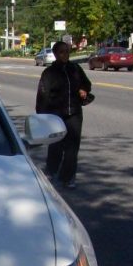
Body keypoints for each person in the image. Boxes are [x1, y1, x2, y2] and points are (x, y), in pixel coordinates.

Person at [35, 41, 91, 189]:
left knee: (73, 147)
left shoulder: (75, 69)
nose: (65, 54)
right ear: (55, 54)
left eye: (67, 51)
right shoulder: (49, 73)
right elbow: (43, 95)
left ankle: (68, 177)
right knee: (56, 145)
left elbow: (86, 83)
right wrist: (42, 116)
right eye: (62, 52)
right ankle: (51, 172)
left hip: (74, 112)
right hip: (56, 114)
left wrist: (83, 89)